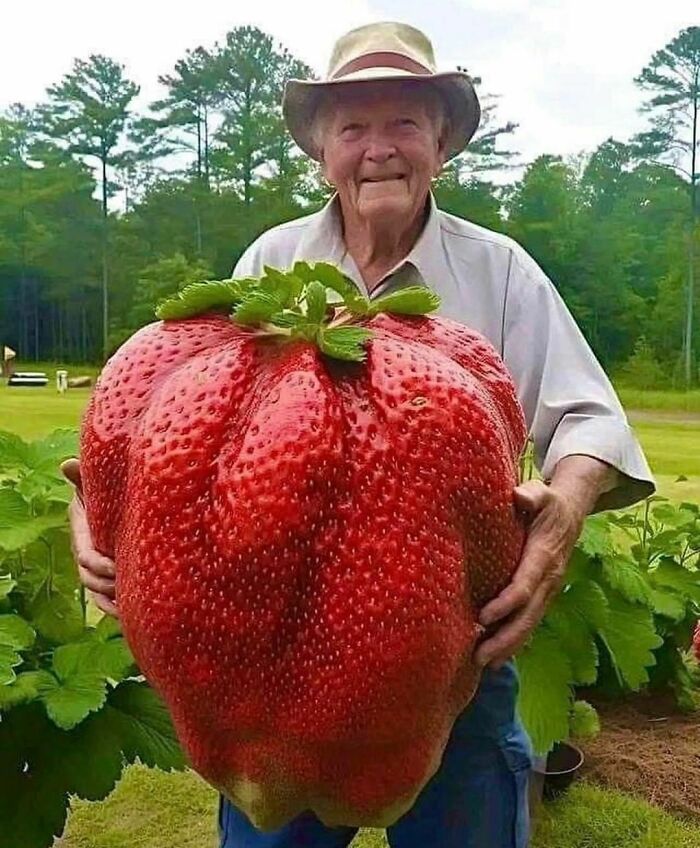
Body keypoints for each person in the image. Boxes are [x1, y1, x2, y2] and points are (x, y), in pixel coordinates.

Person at [63, 20, 655, 848]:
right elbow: (181, 409)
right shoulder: (272, 261)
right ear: (322, 152)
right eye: (353, 127)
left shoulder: (499, 269)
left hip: (453, 650)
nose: (379, 149)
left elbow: (589, 416)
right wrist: (102, 503)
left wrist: (562, 516)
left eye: (404, 123)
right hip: (270, 663)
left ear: (440, 146)